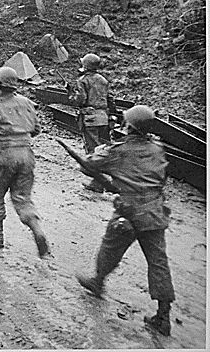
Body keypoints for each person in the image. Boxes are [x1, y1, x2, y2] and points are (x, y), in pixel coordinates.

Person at [75, 105, 175, 337]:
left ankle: (98, 282)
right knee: (158, 261)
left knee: (110, 247)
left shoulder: (119, 150)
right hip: (155, 211)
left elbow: (88, 165)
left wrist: (101, 150)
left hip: (128, 212)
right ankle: (163, 315)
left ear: (130, 126)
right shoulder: (158, 148)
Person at [0, 66, 50, 258]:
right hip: (26, 155)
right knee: (23, 198)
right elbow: (36, 129)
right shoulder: (27, 102)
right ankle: (37, 230)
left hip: (4, 155)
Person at [69, 52, 114, 192]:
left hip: (90, 119)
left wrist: (71, 94)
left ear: (85, 65)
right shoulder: (103, 80)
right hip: (103, 118)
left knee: (92, 151)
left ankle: (99, 183)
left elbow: (80, 100)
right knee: (103, 149)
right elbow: (109, 98)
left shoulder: (82, 80)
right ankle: (103, 179)